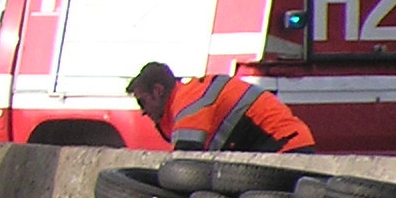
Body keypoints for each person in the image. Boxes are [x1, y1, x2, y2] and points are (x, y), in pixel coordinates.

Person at [127, 62, 315, 153]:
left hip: (286, 146)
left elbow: (184, 165)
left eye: (142, 102)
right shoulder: (184, 100)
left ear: (158, 91)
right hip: (278, 144)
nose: (143, 112)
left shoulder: (188, 105)